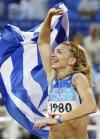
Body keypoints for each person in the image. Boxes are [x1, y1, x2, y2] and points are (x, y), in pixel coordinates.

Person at [33, 8, 96, 139]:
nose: (53, 55)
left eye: (59, 52)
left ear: (72, 60)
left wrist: (57, 120)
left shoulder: (78, 78)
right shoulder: (52, 75)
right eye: (54, 51)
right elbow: (43, 43)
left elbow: (90, 106)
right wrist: (49, 16)